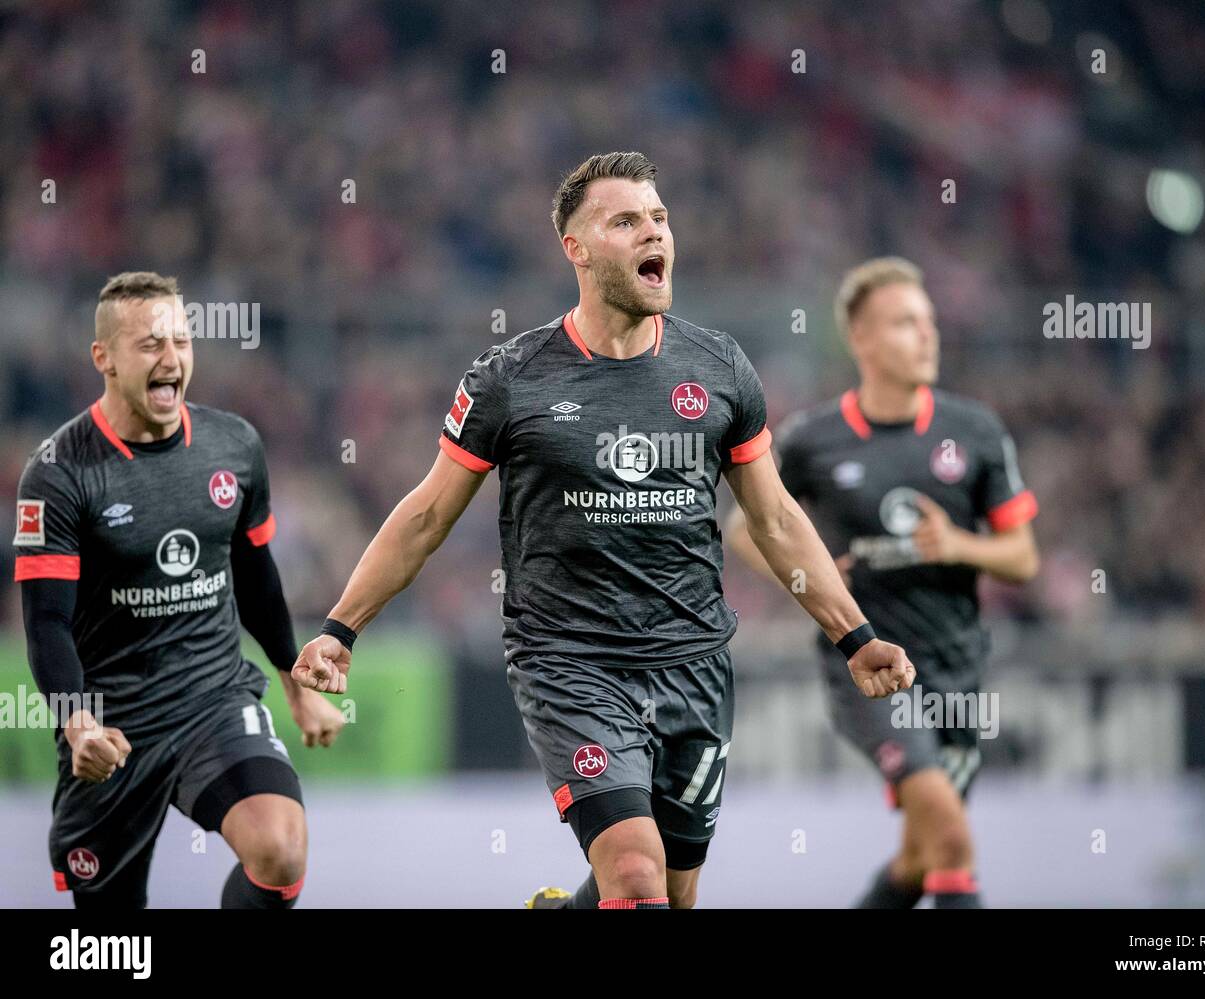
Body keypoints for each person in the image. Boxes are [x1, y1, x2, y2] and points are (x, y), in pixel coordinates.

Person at [291, 153, 914, 910]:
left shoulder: (718, 367)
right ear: (576, 249)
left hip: (694, 664)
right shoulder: (510, 378)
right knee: (637, 878)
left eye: (658, 217)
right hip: (570, 663)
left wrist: (856, 634)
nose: (654, 232)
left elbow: (776, 518)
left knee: (670, 896)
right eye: (625, 221)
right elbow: (425, 515)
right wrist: (339, 629)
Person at [14, 272, 344, 908]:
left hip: (211, 700)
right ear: (103, 359)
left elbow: (254, 574)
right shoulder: (58, 474)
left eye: (181, 342)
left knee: (281, 850)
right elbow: (47, 623)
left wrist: (294, 687)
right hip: (111, 725)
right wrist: (78, 723)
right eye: (149, 345)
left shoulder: (234, 445)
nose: (171, 359)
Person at [727, 257, 1039, 908]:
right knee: (951, 839)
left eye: (928, 322)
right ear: (861, 337)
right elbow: (741, 528)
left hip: (956, 668)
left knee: (921, 857)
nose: (926, 336)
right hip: (865, 665)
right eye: (904, 323)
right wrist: (801, 574)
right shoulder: (813, 438)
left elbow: (1023, 558)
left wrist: (958, 544)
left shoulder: (974, 431)